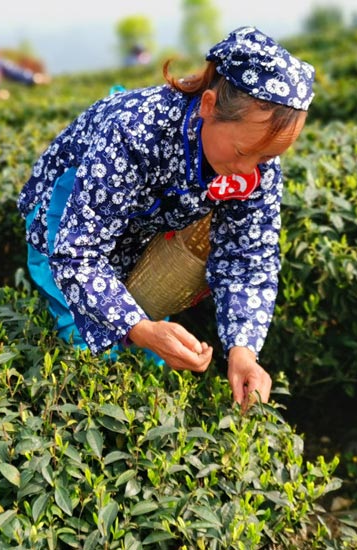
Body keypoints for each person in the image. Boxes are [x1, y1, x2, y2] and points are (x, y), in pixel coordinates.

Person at [17, 27, 315, 408]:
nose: (249, 172)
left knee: (143, 327)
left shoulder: (257, 164)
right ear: (208, 106)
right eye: (244, 152)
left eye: (266, 158)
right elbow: (79, 252)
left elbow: (248, 259)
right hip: (71, 209)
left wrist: (244, 350)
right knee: (81, 334)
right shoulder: (134, 131)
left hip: (144, 223)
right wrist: (138, 327)